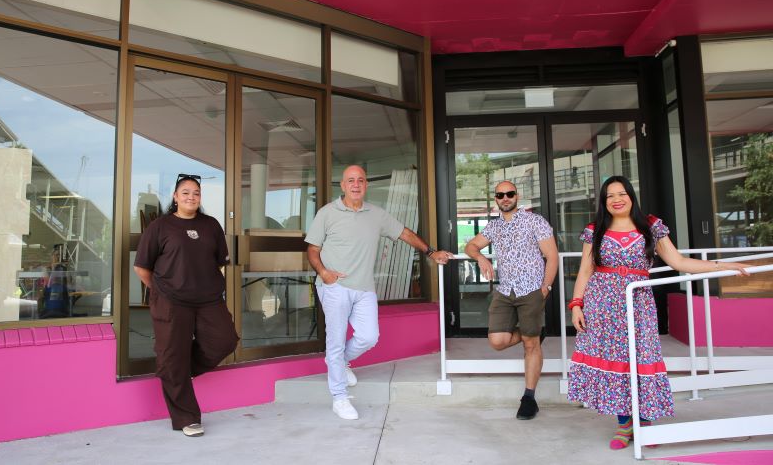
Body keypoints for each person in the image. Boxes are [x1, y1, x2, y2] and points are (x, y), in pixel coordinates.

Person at [566, 175, 750, 449]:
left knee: (640, 359)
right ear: (604, 203)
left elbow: (678, 261)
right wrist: (576, 304)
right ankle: (624, 424)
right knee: (617, 364)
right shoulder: (596, 230)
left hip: (638, 305)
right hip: (602, 306)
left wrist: (721, 267)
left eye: (622, 193)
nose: (616, 200)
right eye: (610, 196)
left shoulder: (651, 226)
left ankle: (644, 422)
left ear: (631, 196)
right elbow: (585, 270)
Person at [305, 165, 453, 420]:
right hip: (335, 287)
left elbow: (404, 233)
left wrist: (431, 252)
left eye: (360, 180)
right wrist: (324, 273)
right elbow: (312, 249)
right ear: (342, 185)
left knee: (369, 337)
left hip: (364, 288)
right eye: (350, 180)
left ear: (366, 185)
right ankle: (339, 398)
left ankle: (337, 362)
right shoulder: (327, 213)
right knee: (336, 342)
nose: (356, 184)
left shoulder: (376, 214)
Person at [134, 174, 239, 437]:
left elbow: (219, 262)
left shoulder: (211, 225)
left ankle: (180, 369)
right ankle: (186, 418)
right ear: (175, 196)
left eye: (196, 193)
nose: (191, 197)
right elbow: (142, 267)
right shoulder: (160, 227)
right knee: (172, 355)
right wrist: (160, 290)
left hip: (208, 299)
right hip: (170, 300)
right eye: (185, 192)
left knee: (224, 341)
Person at [464, 180, 559, 420]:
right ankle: (535, 331)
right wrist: (481, 258)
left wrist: (545, 288)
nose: (505, 198)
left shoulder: (535, 221)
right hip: (506, 291)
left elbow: (552, 256)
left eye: (509, 193)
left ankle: (529, 398)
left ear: (517, 196)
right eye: (500, 194)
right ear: (495, 199)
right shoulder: (494, 227)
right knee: (497, 341)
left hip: (531, 291)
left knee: (530, 345)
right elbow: (470, 245)